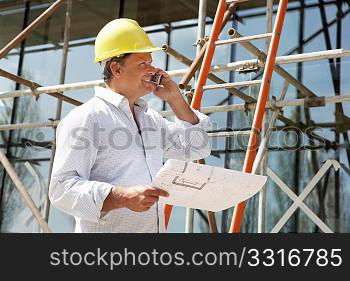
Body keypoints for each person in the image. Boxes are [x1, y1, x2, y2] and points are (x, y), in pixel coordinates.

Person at [49, 18, 212, 233]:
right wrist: (121, 197)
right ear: (116, 69)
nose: (152, 70)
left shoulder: (150, 120)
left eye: (151, 62)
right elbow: (61, 190)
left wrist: (175, 99)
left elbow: (194, 148)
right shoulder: (87, 118)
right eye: (142, 63)